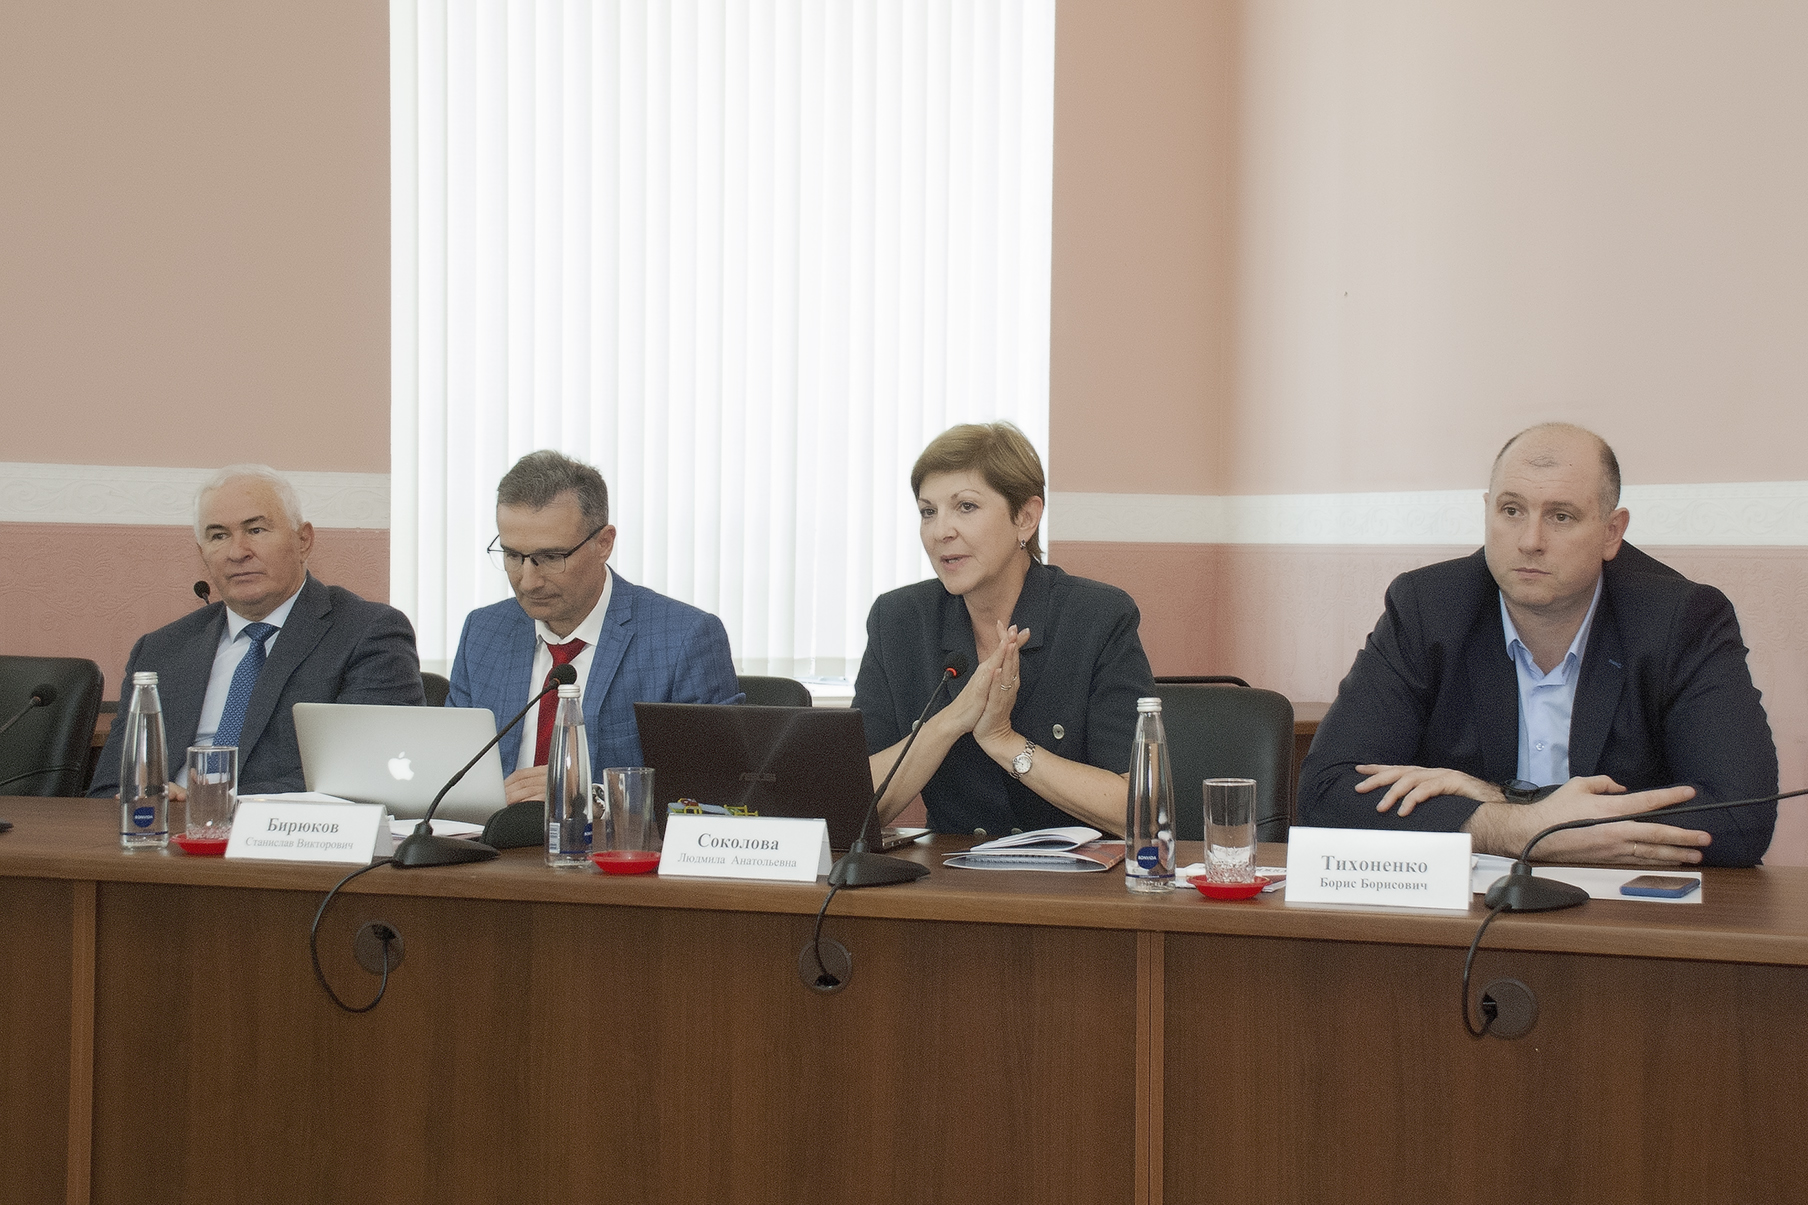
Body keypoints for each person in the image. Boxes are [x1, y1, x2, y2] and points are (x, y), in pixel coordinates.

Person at [1297, 423, 1778, 867]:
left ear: (1611, 532)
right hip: (1470, 911)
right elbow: (1327, 794)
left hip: (1628, 916)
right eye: (1511, 511)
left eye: (1561, 516)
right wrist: (1512, 829)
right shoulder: (1428, 608)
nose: (1530, 540)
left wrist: (1506, 803)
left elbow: (1742, 816)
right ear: (1487, 511)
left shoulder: (1680, 619)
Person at [854, 422, 1155, 835]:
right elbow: (852, 806)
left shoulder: (1098, 618)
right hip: (948, 870)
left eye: (966, 507)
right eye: (928, 511)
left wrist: (1004, 740)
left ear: (1025, 518)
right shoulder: (898, 620)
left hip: (1080, 872)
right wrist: (949, 721)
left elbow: (1138, 810)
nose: (941, 531)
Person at [89, 465, 424, 799]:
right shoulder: (161, 649)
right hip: (162, 826)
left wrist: (211, 802)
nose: (237, 552)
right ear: (202, 554)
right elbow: (110, 787)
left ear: (303, 540)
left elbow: (364, 771)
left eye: (256, 530)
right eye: (218, 536)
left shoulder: (367, 633)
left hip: (283, 827)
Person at [447, 450, 742, 803]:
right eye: (513, 556)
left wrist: (591, 796)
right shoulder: (483, 632)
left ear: (604, 543)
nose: (528, 581)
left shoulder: (684, 639)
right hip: (494, 835)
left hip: (607, 837)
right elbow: (451, 773)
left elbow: (715, 790)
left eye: (551, 558)